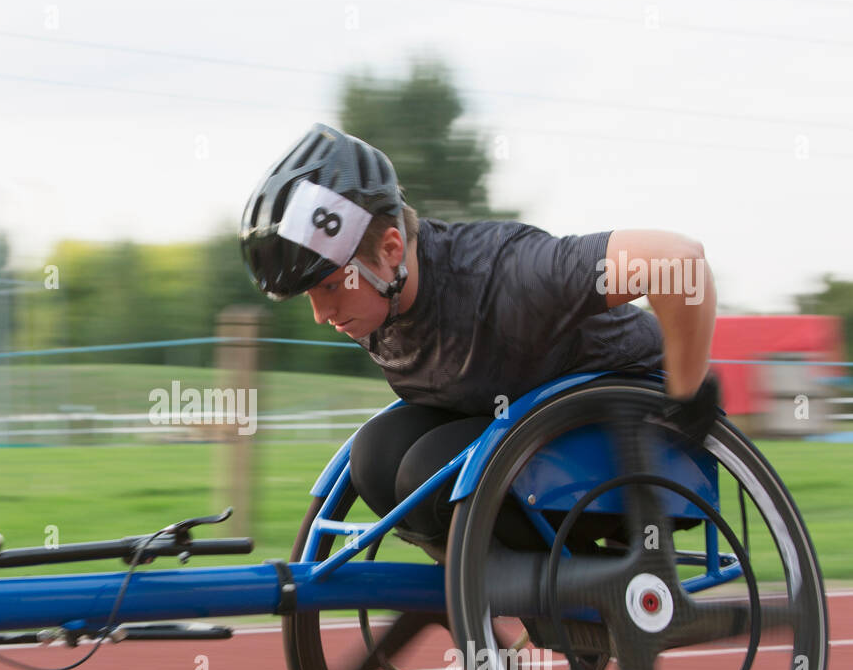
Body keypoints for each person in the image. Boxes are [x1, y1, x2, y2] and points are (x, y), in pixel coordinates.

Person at [239, 123, 720, 558]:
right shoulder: (376, 303)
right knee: (376, 456)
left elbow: (680, 261)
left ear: (390, 250)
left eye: (329, 286)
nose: (321, 314)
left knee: (429, 472)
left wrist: (688, 388)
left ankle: (554, 593)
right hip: (523, 431)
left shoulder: (510, 273)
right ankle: (489, 597)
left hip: (635, 436)